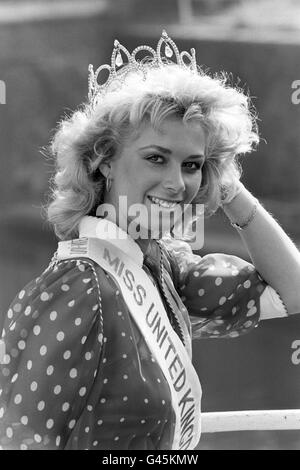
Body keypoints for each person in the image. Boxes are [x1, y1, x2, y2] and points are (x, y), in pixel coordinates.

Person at [0, 30, 300, 451]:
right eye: (156, 158)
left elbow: (293, 292)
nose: (177, 183)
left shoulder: (164, 268)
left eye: (192, 165)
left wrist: (227, 188)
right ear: (103, 160)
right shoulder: (77, 290)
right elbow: (21, 438)